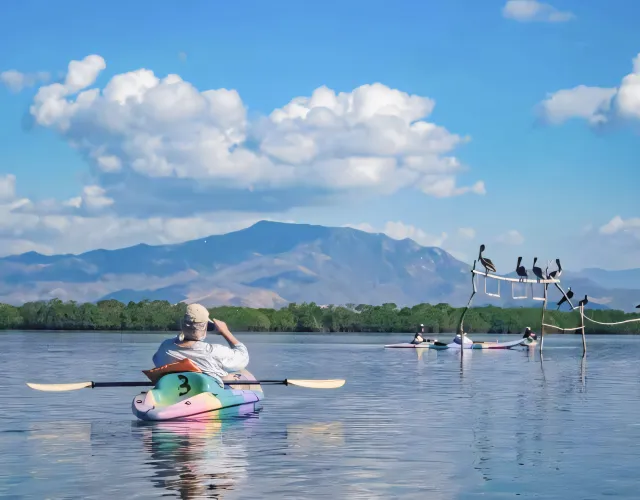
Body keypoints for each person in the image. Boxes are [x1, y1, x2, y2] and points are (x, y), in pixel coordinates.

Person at [152, 303, 249, 387]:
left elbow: (156, 360)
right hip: (206, 393)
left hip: (173, 389)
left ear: (183, 324)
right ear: (204, 326)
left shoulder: (166, 347)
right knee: (236, 376)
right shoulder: (212, 351)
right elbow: (243, 357)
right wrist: (225, 332)